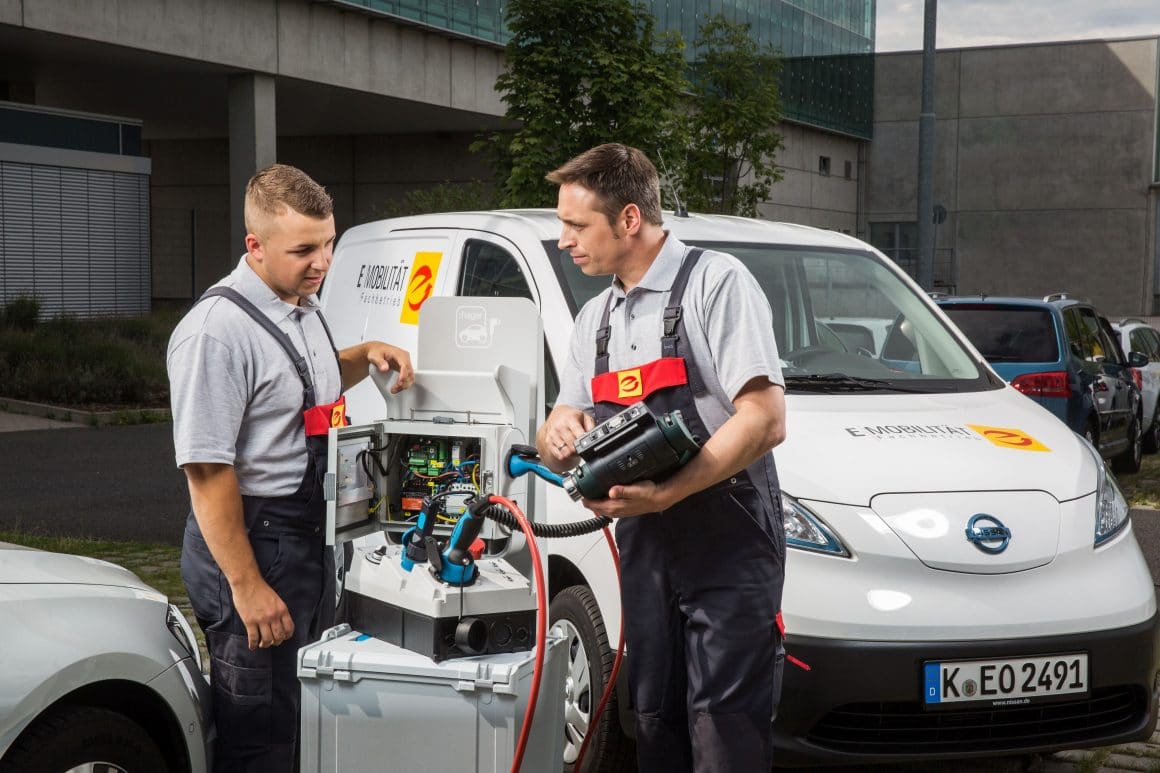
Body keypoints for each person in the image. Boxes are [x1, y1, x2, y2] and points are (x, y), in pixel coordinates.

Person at [535, 143, 788, 772]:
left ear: (628, 219)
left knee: (724, 730)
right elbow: (562, 425)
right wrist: (557, 433)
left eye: (576, 225)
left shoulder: (716, 283)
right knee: (654, 721)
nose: (564, 240)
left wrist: (672, 491)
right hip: (647, 547)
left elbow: (764, 419)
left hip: (728, 540)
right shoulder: (595, 318)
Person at [167, 164, 414, 772]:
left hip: (306, 544)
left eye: (328, 243)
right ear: (254, 246)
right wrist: (249, 589)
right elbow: (207, 474)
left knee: (307, 716)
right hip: (255, 546)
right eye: (303, 250)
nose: (322, 262)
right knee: (261, 734)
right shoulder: (216, 334)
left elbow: (299, 384)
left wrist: (364, 355)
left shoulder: (300, 303)